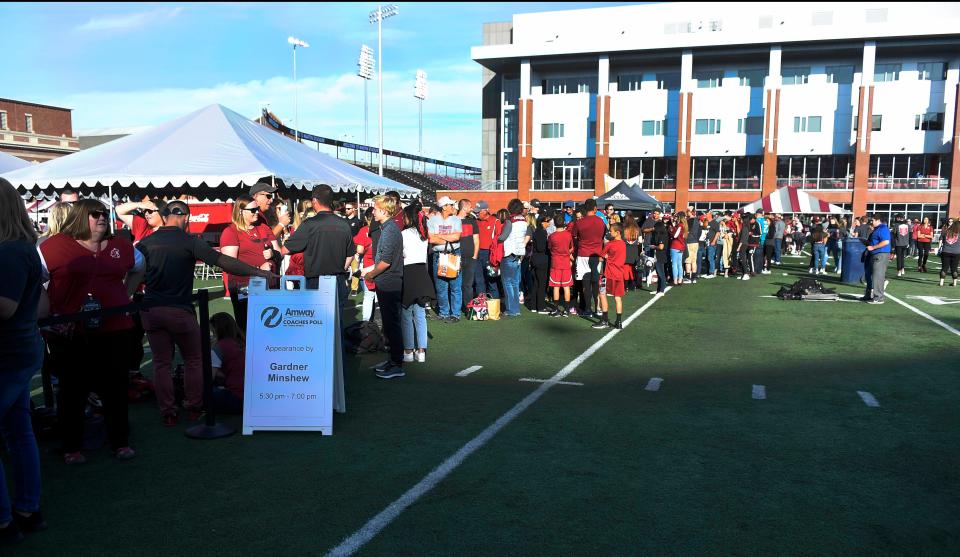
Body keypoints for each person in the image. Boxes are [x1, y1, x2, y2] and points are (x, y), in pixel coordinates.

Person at [137, 200, 273, 426]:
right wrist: (257, 272)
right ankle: (193, 407)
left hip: (151, 310)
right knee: (194, 359)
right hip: (180, 309)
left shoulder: (145, 243)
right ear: (187, 218)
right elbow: (224, 262)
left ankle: (168, 412)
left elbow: (134, 274)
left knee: (161, 362)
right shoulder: (189, 241)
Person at [40, 199, 143, 463]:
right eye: (94, 214)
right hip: (71, 332)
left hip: (115, 328)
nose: (101, 218)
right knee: (73, 389)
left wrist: (126, 297)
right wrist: (51, 313)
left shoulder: (121, 245)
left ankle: (120, 441)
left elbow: (139, 268)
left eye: (103, 214)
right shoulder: (52, 247)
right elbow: (34, 280)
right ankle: (71, 446)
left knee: (116, 387)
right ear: (79, 218)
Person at [0, 177, 47, 543]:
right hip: (20, 348)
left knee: (19, 433)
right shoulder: (22, 248)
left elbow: (5, 308)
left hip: (9, 352)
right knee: (19, 432)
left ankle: (6, 518)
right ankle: (26, 508)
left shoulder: (11, 252)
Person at [282, 185, 356, 302]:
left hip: (316, 282)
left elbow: (285, 250)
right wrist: (342, 268)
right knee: (338, 318)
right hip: (337, 280)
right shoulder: (344, 224)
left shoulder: (309, 224)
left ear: (315, 201)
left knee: (317, 318)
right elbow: (351, 253)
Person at [220, 195, 280, 330]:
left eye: (257, 209)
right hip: (245, 286)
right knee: (249, 328)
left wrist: (273, 254)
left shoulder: (263, 227)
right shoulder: (231, 232)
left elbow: (278, 253)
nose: (257, 212)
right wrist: (259, 269)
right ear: (241, 211)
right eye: (253, 210)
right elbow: (229, 265)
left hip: (269, 285)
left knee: (271, 327)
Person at [365, 195, 405, 379]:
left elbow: (386, 261)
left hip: (389, 281)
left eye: (375, 208)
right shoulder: (387, 228)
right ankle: (393, 360)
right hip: (387, 281)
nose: (372, 212)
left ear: (383, 210)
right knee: (389, 323)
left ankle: (397, 363)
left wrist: (371, 274)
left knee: (392, 323)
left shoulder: (390, 230)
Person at [400, 205, 435, 363]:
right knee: (420, 315)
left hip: (408, 274)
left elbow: (402, 254)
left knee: (406, 315)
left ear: (409, 217)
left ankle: (408, 351)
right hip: (422, 274)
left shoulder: (404, 234)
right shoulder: (424, 234)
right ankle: (421, 352)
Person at [427, 196, 463, 322]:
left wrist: (440, 236)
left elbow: (457, 237)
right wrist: (448, 236)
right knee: (441, 286)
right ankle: (444, 313)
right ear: (444, 207)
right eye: (451, 205)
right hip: (439, 255)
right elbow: (432, 239)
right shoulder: (432, 220)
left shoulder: (456, 220)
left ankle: (455, 314)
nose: (453, 207)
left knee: (455, 286)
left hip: (453, 253)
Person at [572, 199, 606, 317]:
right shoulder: (601, 222)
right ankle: (597, 307)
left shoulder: (580, 222)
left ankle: (587, 309)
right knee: (595, 282)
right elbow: (603, 236)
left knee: (585, 284)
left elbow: (575, 236)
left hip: (583, 254)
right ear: (595, 208)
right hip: (596, 254)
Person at [209, 313, 245, 415]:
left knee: (204, 391)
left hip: (236, 399)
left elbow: (209, 378)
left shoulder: (220, 347)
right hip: (254, 399)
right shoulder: (243, 342)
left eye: (212, 331)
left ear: (217, 330)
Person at [499, 199, 530, 318]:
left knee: (508, 283)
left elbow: (503, 237)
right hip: (519, 253)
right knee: (515, 283)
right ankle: (516, 309)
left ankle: (511, 309)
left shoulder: (510, 221)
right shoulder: (524, 221)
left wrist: (496, 238)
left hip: (509, 253)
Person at [593, 222, 626, 330]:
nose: (609, 232)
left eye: (611, 231)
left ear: (617, 232)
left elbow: (601, 257)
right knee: (618, 298)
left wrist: (606, 257)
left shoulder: (610, 244)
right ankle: (619, 321)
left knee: (602, 294)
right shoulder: (623, 244)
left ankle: (605, 319)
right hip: (619, 274)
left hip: (608, 273)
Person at [474, 201, 502, 300]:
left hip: (490, 254)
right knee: (479, 281)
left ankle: (494, 307)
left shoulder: (495, 221)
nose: (477, 214)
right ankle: (482, 305)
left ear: (486, 210)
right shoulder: (475, 221)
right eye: (476, 212)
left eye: (478, 212)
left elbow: (499, 240)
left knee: (492, 281)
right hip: (477, 253)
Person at [353, 208, 377, 322]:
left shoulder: (364, 230)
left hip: (368, 267)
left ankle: (366, 323)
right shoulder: (384, 228)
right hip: (381, 265)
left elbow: (360, 250)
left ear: (367, 218)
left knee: (368, 296)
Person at [548, 213, 574, 317]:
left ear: (554, 223)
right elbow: (571, 247)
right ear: (563, 223)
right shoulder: (568, 235)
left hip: (555, 263)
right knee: (566, 286)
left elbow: (550, 248)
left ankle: (556, 309)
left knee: (556, 286)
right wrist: (568, 253)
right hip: (566, 262)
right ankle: (567, 310)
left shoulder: (551, 236)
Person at [457, 200, 480, 314]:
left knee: (468, 285)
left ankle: (468, 308)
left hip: (470, 258)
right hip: (456, 257)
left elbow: (476, 240)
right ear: (464, 207)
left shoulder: (472, 221)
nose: (472, 209)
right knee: (456, 284)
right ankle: (456, 308)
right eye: (470, 207)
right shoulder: (453, 220)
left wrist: (474, 256)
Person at [863, 214, 891, 304]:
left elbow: (886, 241)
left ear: (878, 220)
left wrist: (873, 247)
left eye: (872, 220)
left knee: (877, 275)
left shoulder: (883, 228)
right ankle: (868, 295)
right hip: (874, 254)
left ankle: (879, 297)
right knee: (869, 274)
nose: (871, 222)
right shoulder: (876, 229)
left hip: (881, 254)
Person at [529, 214, 551, 313]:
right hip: (542, 260)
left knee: (536, 283)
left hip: (536, 259)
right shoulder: (542, 232)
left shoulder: (537, 231)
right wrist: (549, 245)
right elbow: (541, 247)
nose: (549, 223)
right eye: (547, 221)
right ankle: (541, 307)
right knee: (542, 284)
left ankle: (534, 306)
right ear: (542, 222)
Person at [938, 219, 960, 287]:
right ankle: (954, 283)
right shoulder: (959, 233)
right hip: (956, 252)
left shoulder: (945, 231)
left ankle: (941, 282)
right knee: (954, 268)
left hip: (946, 251)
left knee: (944, 267)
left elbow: (942, 240)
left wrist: (939, 249)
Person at [651, 217, 669, 295]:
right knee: (659, 273)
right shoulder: (662, 234)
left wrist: (654, 247)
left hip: (661, 255)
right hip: (660, 255)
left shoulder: (662, 235)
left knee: (661, 273)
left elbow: (661, 247)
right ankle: (659, 289)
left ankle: (662, 290)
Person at [669, 212, 687, 285]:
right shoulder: (685, 225)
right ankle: (680, 279)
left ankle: (675, 280)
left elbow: (675, 235)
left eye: (676, 217)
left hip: (675, 246)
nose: (675, 218)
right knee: (679, 264)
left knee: (674, 264)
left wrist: (672, 229)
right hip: (681, 246)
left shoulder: (680, 225)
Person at [685, 208, 701, 283]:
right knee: (694, 260)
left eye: (687, 211)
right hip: (695, 242)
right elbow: (700, 232)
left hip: (689, 241)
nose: (686, 213)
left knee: (688, 260)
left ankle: (688, 277)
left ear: (690, 212)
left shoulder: (689, 220)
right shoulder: (697, 220)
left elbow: (687, 231)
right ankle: (694, 277)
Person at [703, 211, 720, 278]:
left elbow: (717, 233)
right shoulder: (706, 222)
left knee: (710, 258)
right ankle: (707, 272)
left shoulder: (715, 223)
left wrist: (713, 241)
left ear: (710, 214)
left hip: (711, 243)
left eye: (706, 214)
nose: (705, 215)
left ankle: (711, 273)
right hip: (705, 243)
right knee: (706, 258)